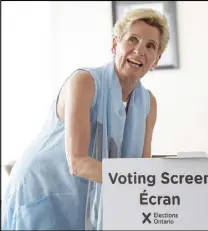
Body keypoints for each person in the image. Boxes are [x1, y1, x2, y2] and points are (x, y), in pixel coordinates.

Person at [1, 8, 170, 230]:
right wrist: (137, 181)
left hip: (88, 195)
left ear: (156, 59)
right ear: (114, 45)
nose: (139, 50)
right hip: (44, 189)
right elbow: (78, 162)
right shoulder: (84, 81)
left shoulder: (149, 103)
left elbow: (142, 166)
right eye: (132, 40)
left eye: (150, 46)